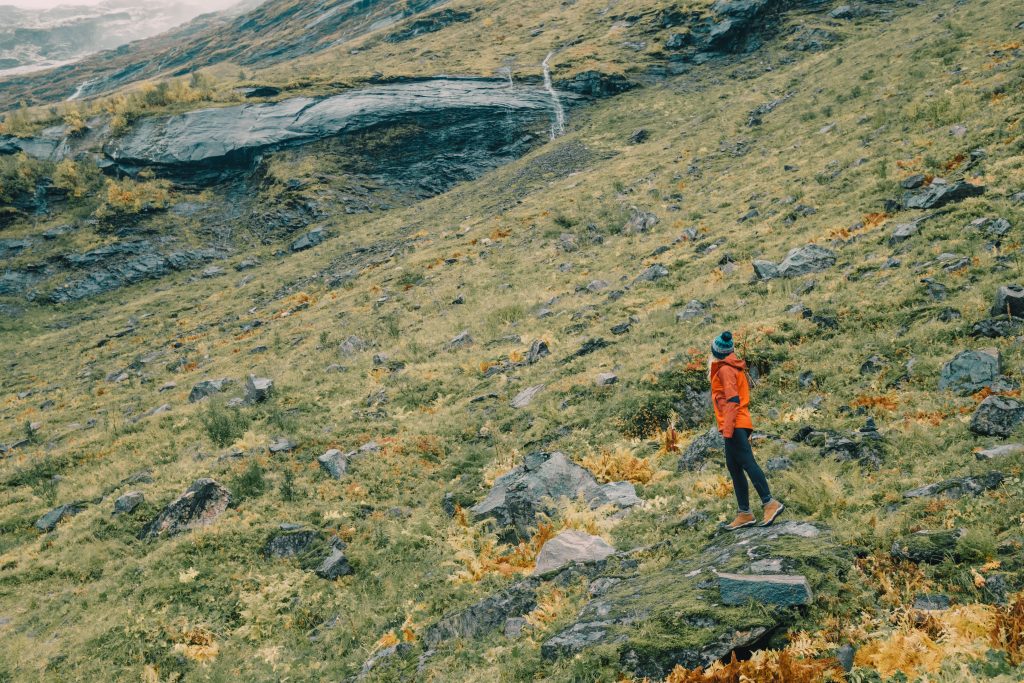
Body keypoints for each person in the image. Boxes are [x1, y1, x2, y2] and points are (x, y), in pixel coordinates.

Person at [709, 331, 784, 530]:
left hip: (734, 424)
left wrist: (727, 429)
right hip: (736, 423)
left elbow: (732, 401)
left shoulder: (725, 370)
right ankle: (744, 513)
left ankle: (770, 502)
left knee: (747, 463)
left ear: (717, 352)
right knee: (734, 468)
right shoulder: (730, 367)